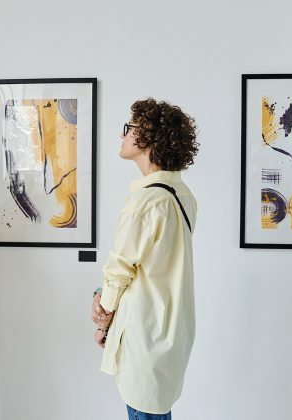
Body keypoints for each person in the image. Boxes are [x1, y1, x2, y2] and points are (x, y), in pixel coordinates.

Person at [91, 98, 199, 419]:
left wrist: (103, 318)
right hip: (170, 331)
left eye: (130, 128)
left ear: (148, 139)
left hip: (145, 332)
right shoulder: (183, 196)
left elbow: (120, 268)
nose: (123, 135)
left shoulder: (146, 201)